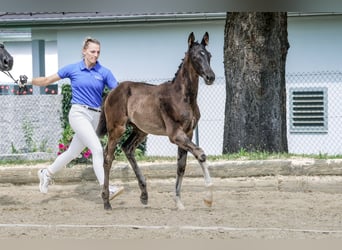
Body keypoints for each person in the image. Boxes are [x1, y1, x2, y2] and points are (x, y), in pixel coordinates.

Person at [30, 37, 124, 200]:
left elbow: (118, 92)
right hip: (78, 113)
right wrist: (28, 82)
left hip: (95, 116)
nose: (96, 55)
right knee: (96, 149)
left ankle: (46, 172)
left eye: (98, 52)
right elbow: (46, 80)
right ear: (84, 51)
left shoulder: (104, 72)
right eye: (93, 51)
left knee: (73, 153)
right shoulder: (73, 69)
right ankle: (106, 188)